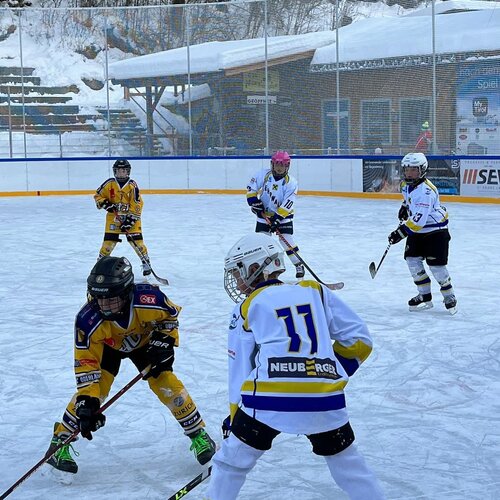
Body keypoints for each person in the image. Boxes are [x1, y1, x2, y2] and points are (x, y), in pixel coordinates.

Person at [207, 233, 385, 500]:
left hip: (269, 401)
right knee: (348, 465)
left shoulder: (247, 306)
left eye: (238, 272)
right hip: (325, 399)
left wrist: (234, 421)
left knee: (230, 463)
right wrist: (327, 373)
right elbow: (360, 341)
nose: (237, 281)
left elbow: (240, 371)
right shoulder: (315, 291)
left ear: (255, 268)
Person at [45, 256, 216, 475]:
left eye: (110, 299)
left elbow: (170, 317)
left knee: (166, 383)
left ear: (126, 293)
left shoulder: (149, 298)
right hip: (108, 349)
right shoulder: (87, 320)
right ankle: (60, 440)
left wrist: (165, 341)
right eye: (97, 297)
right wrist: (87, 401)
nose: (103, 305)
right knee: (94, 394)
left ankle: (198, 434)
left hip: (145, 344)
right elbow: (86, 364)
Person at [388, 152, 457, 314]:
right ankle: (424, 295)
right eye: (407, 169)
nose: (409, 173)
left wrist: (399, 233)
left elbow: (418, 221)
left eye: (414, 170)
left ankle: (449, 295)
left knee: (436, 266)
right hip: (417, 231)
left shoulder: (426, 192)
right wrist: (405, 207)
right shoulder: (406, 185)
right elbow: (408, 199)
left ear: (423, 170)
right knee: (412, 260)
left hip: (435, 232)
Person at [245, 150, 305, 279]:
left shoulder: (291, 182)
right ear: (272, 164)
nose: (279, 168)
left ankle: (298, 264)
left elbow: (288, 203)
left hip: (284, 216)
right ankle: (264, 270)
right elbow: (251, 188)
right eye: (277, 165)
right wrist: (254, 203)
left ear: (287, 166)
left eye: (282, 165)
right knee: (262, 242)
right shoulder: (264, 174)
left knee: (286, 241)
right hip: (264, 215)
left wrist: (277, 219)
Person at [94, 159, 152, 276]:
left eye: (124, 171)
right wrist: (104, 203)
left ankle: (146, 263)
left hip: (131, 218)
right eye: (119, 171)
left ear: (128, 172)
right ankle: (99, 265)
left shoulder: (132, 185)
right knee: (107, 245)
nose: (121, 173)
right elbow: (98, 195)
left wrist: (130, 220)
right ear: (115, 171)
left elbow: (137, 204)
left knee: (137, 243)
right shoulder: (109, 183)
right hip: (113, 218)